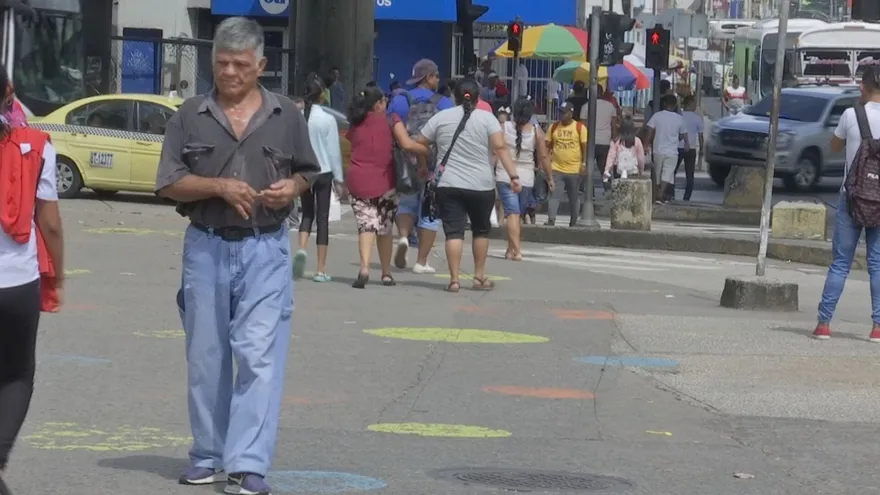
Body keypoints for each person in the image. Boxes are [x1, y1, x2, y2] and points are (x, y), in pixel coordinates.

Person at [153, 17, 320, 495]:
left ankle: (249, 464)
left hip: (265, 248)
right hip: (205, 246)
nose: (229, 72)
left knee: (259, 356)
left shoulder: (286, 114)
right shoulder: (190, 114)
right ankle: (208, 454)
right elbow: (167, 182)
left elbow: (308, 173)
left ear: (261, 65)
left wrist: (293, 186)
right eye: (222, 63)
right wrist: (219, 186)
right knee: (206, 356)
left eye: (240, 65)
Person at [0, 65, 64, 495]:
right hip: (16, 281)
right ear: (10, 93)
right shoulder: (37, 145)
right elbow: (51, 224)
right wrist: (58, 274)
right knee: (16, 374)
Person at [415, 78, 521, 292]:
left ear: (454, 96)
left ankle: (454, 280)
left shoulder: (441, 117)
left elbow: (420, 142)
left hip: (448, 184)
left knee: (453, 232)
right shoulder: (487, 118)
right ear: (477, 97)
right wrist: (513, 176)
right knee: (480, 232)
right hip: (481, 185)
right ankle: (478, 276)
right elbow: (500, 148)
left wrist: (424, 165)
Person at [814, 67, 880, 341]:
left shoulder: (852, 115)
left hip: (851, 197)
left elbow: (835, 146)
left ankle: (824, 324)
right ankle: (877, 327)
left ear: (863, 87)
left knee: (841, 262)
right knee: (877, 263)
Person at [345, 85, 426, 288]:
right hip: (385, 180)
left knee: (366, 225)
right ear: (379, 103)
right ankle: (386, 273)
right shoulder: (392, 120)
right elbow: (407, 144)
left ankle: (364, 267)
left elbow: (349, 149)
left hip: (358, 180)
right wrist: (426, 149)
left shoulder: (355, 123)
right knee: (384, 227)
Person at [387, 58, 453, 273]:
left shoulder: (400, 100)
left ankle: (404, 237)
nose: (438, 80)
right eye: (436, 76)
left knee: (406, 202)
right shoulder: (444, 103)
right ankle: (422, 261)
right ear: (429, 78)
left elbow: (391, 127)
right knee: (430, 208)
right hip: (434, 161)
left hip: (406, 160)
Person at [293, 77, 345, 282]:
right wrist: (339, 179)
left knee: (306, 214)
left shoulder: (298, 117)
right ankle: (321, 269)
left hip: (304, 172)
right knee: (322, 219)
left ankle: (302, 248)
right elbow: (333, 152)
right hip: (323, 173)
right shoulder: (326, 119)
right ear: (322, 94)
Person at [496, 97, 551, 260]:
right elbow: (544, 156)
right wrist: (550, 177)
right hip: (526, 178)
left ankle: (514, 249)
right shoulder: (536, 131)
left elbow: (495, 150)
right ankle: (514, 249)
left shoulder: (503, 127)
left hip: (505, 174)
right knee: (516, 214)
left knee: (513, 213)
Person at [546, 101, 587, 227]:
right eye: (560, 112)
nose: (561, 115)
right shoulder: (553, 127)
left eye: (564, 113)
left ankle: (573, 221)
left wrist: (583, 164)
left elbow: (584, 147)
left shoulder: (580, 128)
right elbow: (547, 145)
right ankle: (551, 219)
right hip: (556, 167)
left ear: (571, 113)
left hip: (574, 169)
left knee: (574, 197)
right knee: (554, 195)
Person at [645, 94, 688, 205]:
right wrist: (683, 142)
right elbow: (683, 134)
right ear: (675, 105)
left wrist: (646, 144)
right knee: (667, 173)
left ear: (664, 104)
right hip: (672, 151)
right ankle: (660, 195)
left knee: (657, 173)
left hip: (658, 149)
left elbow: (649, 130)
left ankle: (657, 195)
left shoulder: (657, 115)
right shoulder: (679, 118)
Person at [581, 84, 619, 194]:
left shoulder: (586, 106)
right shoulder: (610, 106)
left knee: (588, 169)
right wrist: (613, 139)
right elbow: (614, 125)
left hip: (590, 142)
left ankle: (589, 192)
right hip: (605, 141)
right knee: (604, 167)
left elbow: (583, 126)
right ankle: (607, 188)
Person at [675, 95, 704, 201]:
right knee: (690, 175)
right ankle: (686, 198)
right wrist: (701, 148)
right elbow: (701, 136)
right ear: (689, 103)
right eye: (694, 103)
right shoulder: (697, 118)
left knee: (673, 172)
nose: (696, 105)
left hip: (678, 147)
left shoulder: (679, 115)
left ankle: (670, 194)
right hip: (691, 148)